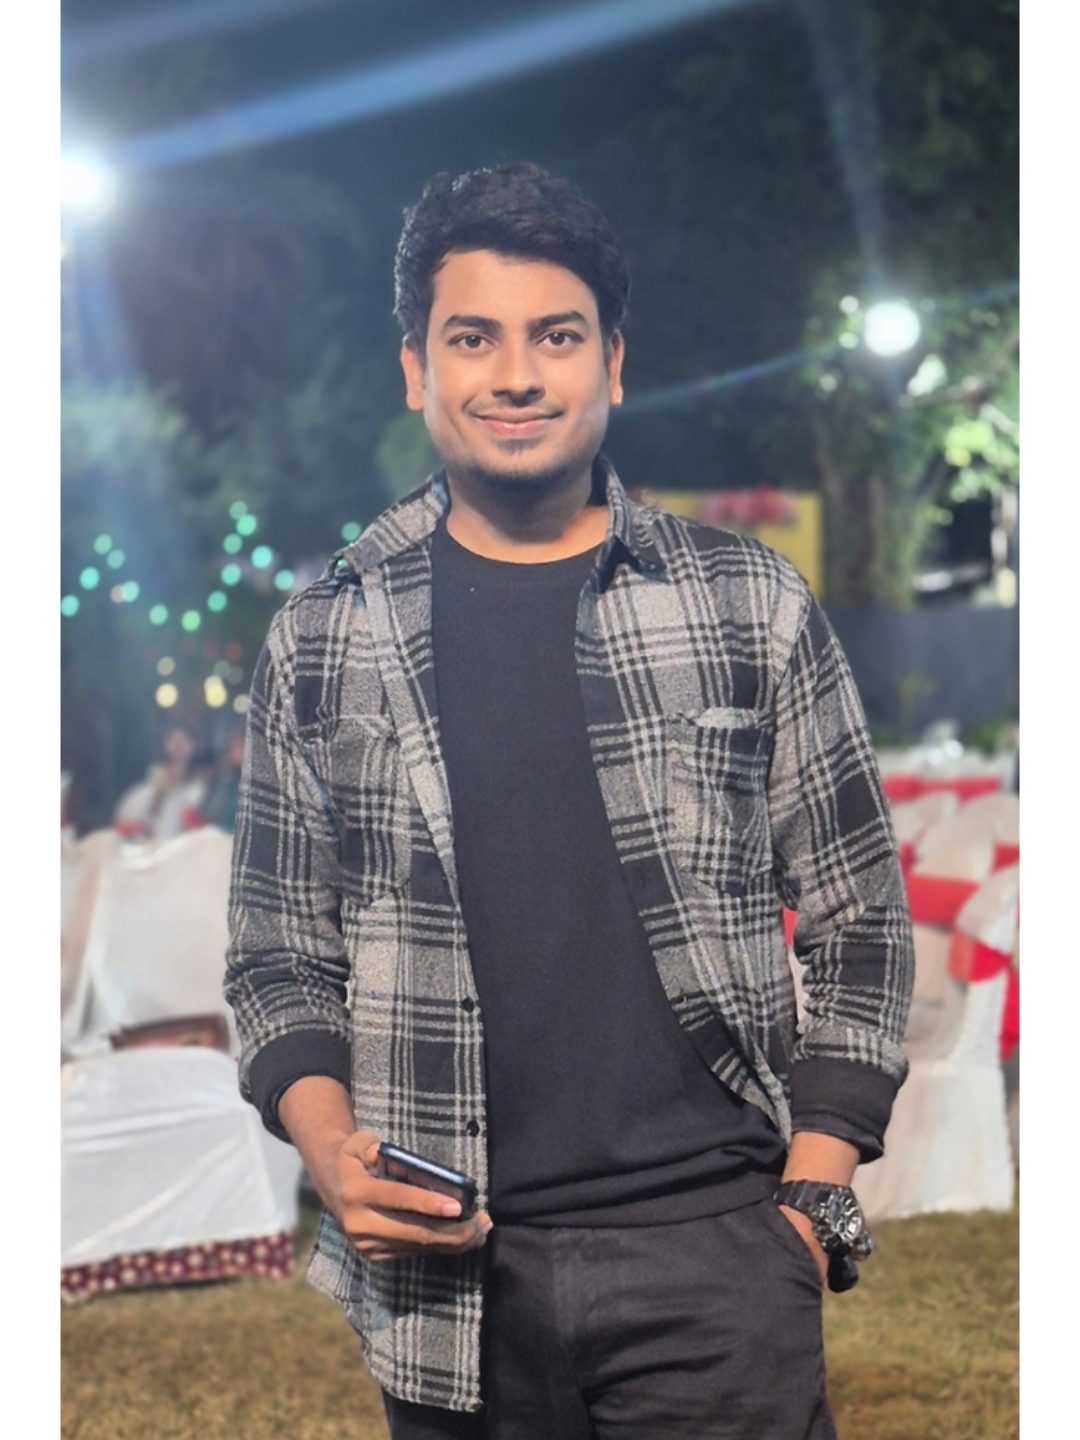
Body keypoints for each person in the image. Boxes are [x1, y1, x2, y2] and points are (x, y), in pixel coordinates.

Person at [225, 162, 914, 1439]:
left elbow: (863, 919)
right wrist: (331, 1155)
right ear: (416, 370)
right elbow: (276, 954)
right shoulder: (323, 636)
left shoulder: (745, 601)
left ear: (614, 363)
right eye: (471, 338)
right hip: (445, 1269)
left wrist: (813, 1199)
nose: (516, 375)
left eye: (556, 336)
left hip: (717, 1258)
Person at [113, 724, 206, 841]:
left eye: (184, 741)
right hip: (149, 837)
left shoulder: (198, 783)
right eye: (174, 741)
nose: (178, 746)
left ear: (193, 746)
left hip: (179, 840)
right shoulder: (155, 776)